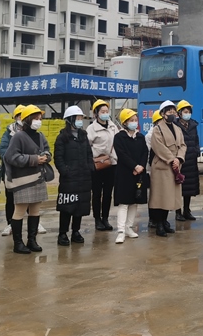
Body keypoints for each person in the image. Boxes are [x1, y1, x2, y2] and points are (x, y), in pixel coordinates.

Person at [4, 105, 52, 254]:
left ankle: (32, 240)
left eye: (40, 118)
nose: (39, 121)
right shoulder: (18, 137)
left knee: (35, 210)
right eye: (36, 118)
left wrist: (46, 156)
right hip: (23, 180)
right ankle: (18, 243)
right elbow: (10, 156)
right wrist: (33, 159)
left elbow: (48, 150)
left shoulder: (40, 136)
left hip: (38, 178)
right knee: (19, 211)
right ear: (28, 120)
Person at [53, 106, 95, 246]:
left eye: (81, 118)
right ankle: (62, 233)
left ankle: (76, 231)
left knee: (80, 206)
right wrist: (65, 171)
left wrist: (90, 168)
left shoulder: (83, 136)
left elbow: (89, 154)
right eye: (77, 118)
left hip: (83, 177)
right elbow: (58, 158)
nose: (80, 121)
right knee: (67, 206)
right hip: (69, 179)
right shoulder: (62, 138)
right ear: (70, 119)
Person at [149, 100, 186, 237]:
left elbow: (183, 145)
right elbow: (158, 147)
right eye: (169, 111)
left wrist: (179, 159)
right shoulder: (157, 129)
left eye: (173, 111)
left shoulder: (177, 129)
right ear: (162, 113)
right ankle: (158, 224)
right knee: (160, 197)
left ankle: (164, 221)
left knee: (170, 197)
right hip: (162, 166)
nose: (172, 113)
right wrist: (172, 159)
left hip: (174, 167)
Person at [113, 108, 149, 244]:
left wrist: (141, 166)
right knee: (124, 203)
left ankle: (129, 227)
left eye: (135, 120)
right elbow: (121, 154)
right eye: (131, 120)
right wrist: (134, 166)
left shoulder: (140, 137)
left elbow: (145, 152)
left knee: (134, 202)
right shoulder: (119, 137)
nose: (134, 122)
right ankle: (121, 231)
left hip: (138, 174)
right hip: (125, 173)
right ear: (125, 122)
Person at [0, 105, 33, 236]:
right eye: (20, 115)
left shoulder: (32, 132)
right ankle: (10, 224)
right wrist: (16, 159)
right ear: (16, 117)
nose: (22, 118)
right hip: (12, 171)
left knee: (30, 196)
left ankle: (33, 221)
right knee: (11, 198)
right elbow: (3, 150)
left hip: (28, 170)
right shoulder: (9, 133)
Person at [87, 99, 118, 231]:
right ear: (96, 113)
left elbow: (118, 142)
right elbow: (87, 147)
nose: (105, 114)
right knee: (96, 193)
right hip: (97, 165)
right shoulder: (91, 129)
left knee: (108, 193)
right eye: (102, 111)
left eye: (107, 111)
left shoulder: (113, 126)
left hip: (111, 163)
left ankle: (105, 218)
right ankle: (97, 219)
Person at [174, 100, 201, 221]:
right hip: (181, 160)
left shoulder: (193, 125)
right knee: (179, 187)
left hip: (191, 160)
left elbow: (196, 140)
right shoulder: (175, 125)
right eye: (185, 111)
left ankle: (187, 210)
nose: (187, 113)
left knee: (189, 188)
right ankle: (178, 211)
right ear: (179, 113)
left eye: (189, 111)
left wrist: (196, 151)